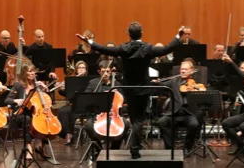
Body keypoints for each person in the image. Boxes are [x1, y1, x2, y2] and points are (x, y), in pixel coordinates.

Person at [77, 22, 184, 159]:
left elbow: (105, 49)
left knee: (134, 119)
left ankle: (134, 148)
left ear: (128, 34)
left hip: (128, 89)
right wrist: (178, 36)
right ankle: (134, 149)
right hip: (144, 88)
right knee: (139, 120)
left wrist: (89, 41)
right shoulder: (148, 48)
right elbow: (167, 49)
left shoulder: (123, 48)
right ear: (142, 33)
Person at [81, 62, 129, 158]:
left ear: (111, 72)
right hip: (98, 114)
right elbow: (86, 99)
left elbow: (124, 101)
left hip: (114, 115)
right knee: (89, 126)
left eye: (108, 71)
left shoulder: (117, 84)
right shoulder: (93, 83)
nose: (106, 74)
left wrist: (118, 96)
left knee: (126, 124)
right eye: (103, 72)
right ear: (99, 72)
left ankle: (115, 150)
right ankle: (99, 150)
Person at [155, 58, 202, 153]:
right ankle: (169, 147)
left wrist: (196, 91)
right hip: (174, 114)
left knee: (194, 124)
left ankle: (187, 147)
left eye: (186, 69)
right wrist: (156, 82)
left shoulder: (196, 82)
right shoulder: (173, 81)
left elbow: (202, 92)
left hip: (189, 114)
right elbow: (161, 85)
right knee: (161, 122)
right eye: (182, 69)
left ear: (192, 71)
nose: (183, 71)